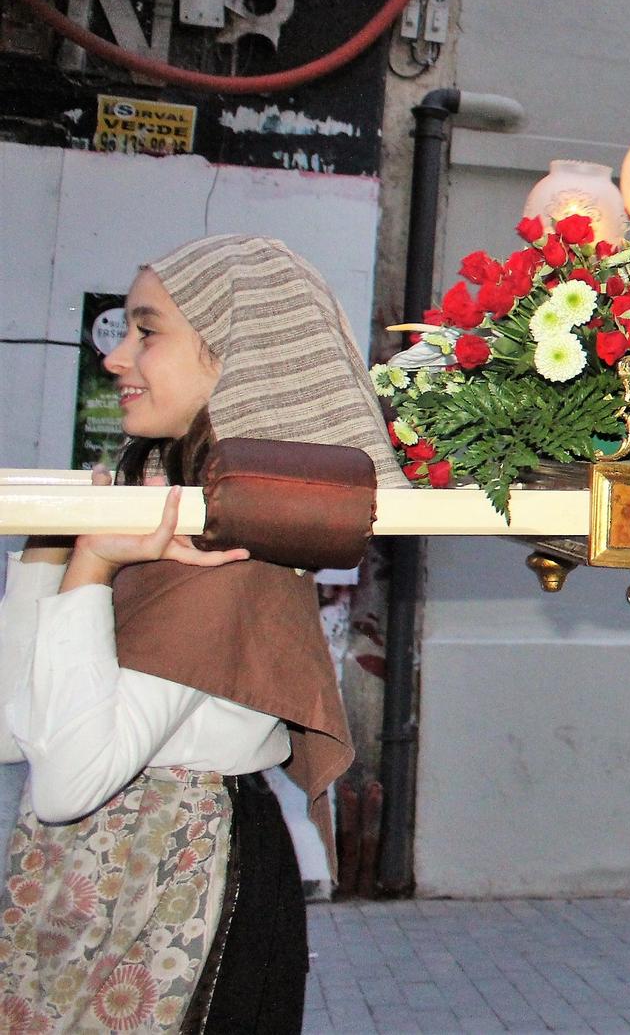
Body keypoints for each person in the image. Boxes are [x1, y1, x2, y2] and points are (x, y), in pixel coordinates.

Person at [0, 235, 402, 1031]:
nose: (117, 357)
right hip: (115, 888)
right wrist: (53, 548)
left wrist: (88, 569)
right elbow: (18, 729)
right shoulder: (167, 520)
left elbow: (67, 782)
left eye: (148, 332)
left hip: (181, 894)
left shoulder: (230, 547)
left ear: (236, 357)